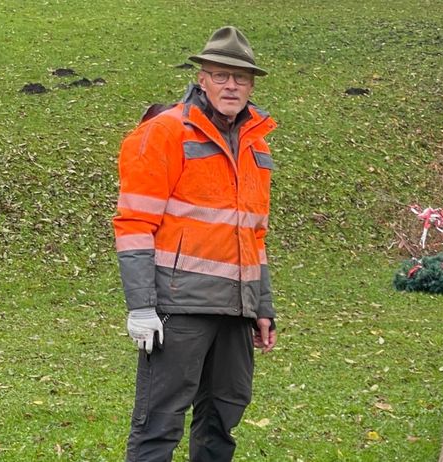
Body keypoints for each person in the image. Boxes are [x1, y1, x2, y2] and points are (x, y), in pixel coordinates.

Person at [113, 26, 278, 461]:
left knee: (224, 418)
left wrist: (262, 307)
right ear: (201, 78)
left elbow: (254, 234)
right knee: (159, 423)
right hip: (179, 305)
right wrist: (141, 306)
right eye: (221, 75)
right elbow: (133, 223)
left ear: (251, 84)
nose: (231, 85)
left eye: (240, 78)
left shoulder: (254, 142)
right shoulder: (164, 132)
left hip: (236, 310)